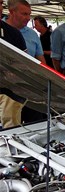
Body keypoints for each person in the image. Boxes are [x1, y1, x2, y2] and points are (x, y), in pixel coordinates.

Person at [0, 0, 27, 129]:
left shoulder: (14, 33)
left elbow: (25, 64)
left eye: (0, 3)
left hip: (10, 92)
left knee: (11, 130)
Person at [6, 0, 45, 64]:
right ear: (12, 12)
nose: (28, 18)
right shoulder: (2, 29)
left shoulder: (33, 34)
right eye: (24, 14)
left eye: (29, 14)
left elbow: (42, 62)